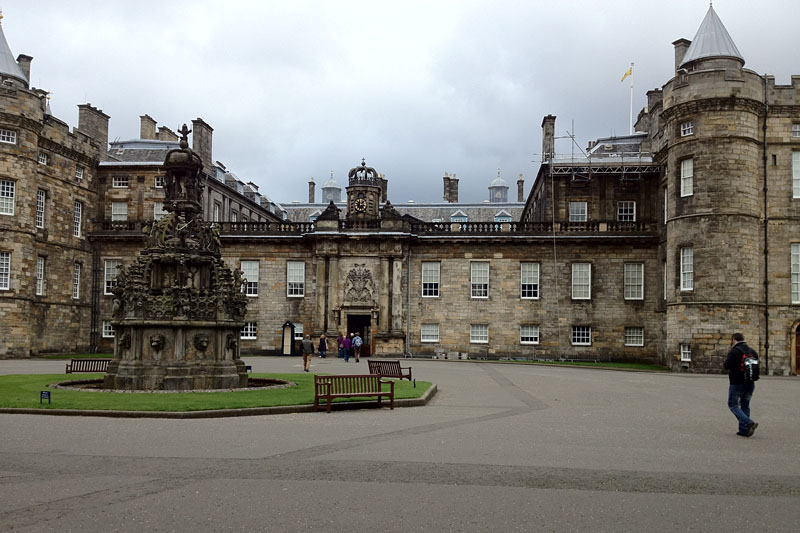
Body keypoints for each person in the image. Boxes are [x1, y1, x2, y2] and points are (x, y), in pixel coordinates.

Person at [723, 332, 758, 437]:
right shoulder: (752, 351)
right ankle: (744, 430)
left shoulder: (734, 351)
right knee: (745, 405)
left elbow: (726, 365)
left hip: (737, 382)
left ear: (734, 339)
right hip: (750, 382)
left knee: (733, 405)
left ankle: (748, 422)